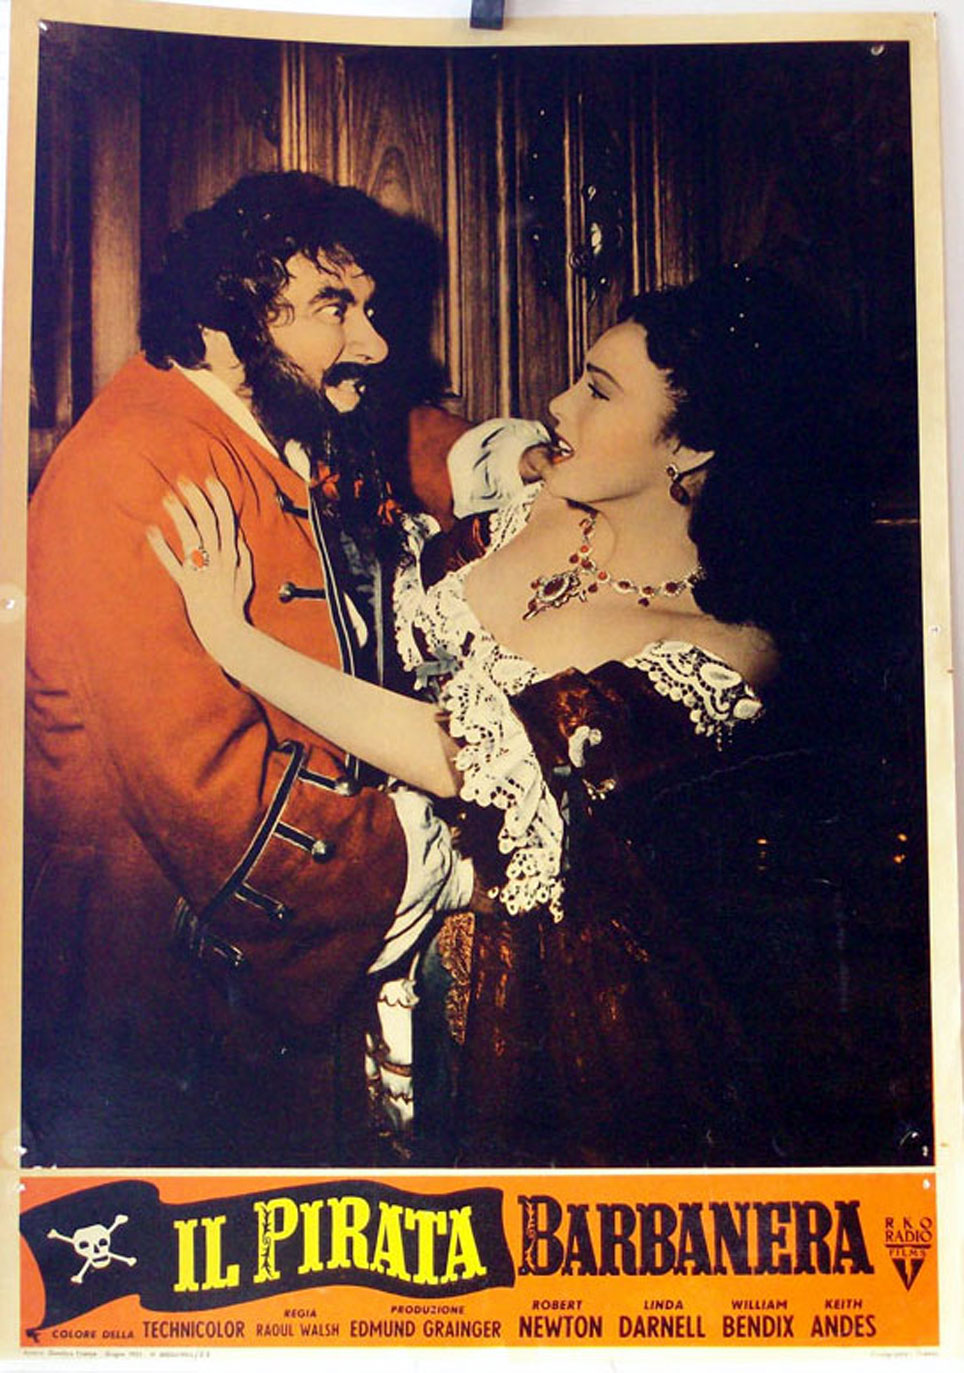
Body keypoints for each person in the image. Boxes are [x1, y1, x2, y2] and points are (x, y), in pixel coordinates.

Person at [152, 264, 899, 1168]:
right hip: (354, 907)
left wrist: (234, 641)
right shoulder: (540, 507)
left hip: (526, 1002)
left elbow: (457, 754)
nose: (559, 403)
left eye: (599, 390)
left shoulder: (724, 652)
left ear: (691, 449)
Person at [22, 170, 514, 1167]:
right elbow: (212, 797)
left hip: (248, 1003)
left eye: (367, 307)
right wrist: (443, 857)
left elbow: (387, 429)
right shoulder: (136, 470)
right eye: (335, 308)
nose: (374, 343)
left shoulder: (238, 403)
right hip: (170, 1012)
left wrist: (512, 460)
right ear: (221, 324)